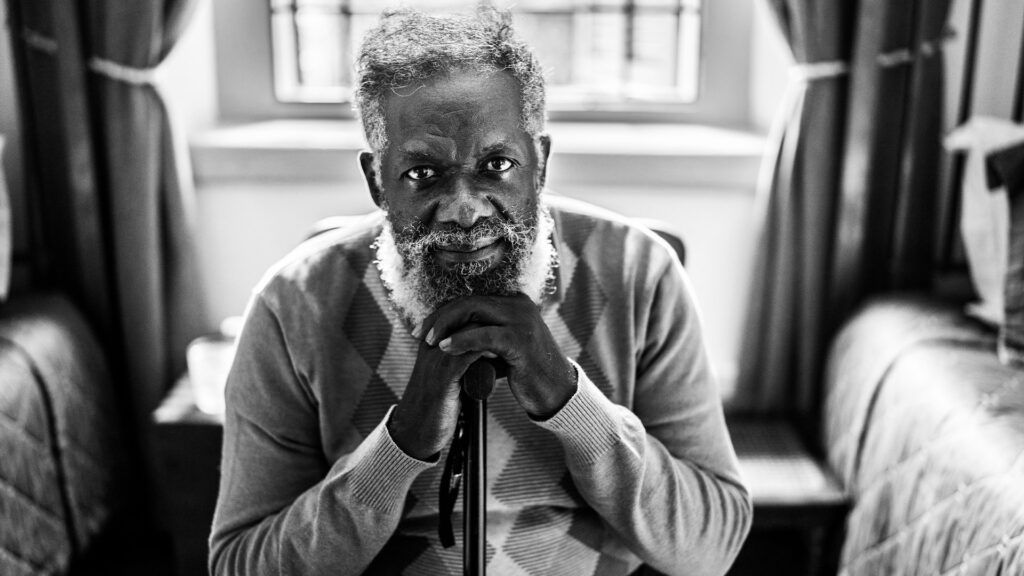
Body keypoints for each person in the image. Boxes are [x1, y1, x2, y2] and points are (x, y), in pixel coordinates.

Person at [209, 6, 752, 576]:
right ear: (376, 179)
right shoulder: (293, 304)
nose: (465, 211)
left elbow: (710, 548)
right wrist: (400, 443)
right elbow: (239, 564)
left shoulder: (641, 274)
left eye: (496, 164)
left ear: (539, 163)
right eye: (423, 174)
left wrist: (569, 398)